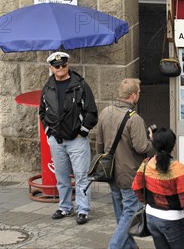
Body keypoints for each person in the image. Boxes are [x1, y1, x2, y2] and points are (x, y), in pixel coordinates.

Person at [39, 51, 98, 224]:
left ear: (68, 65)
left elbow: (91, 111)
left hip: (77, 140)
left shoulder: (80, 85)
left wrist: (83, 131)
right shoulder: (47, 87)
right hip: (56, 140)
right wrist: (49, 132)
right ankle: (65, 207)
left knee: (81, 176)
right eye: (56, 66)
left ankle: (83, 210)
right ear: (51, 68)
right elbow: (42, 112)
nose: (60, 68)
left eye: (63, 65)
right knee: (62, 177)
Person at [95, 78, 153, 249]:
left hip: (110, 171)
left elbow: (99, 143)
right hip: (129, 174)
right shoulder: (135, 119)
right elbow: (141, 146)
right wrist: (152, 139)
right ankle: (114, 246)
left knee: (121, 214)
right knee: (130, 213)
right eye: (139, 93)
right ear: (133, 95)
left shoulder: (105, 112)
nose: (139, 96)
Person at [132, 127, 184, 249]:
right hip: (172, 220)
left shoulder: (146, 163)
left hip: (151, 217)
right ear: (172, 146)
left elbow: (136, 187)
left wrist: (146, 201)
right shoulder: (177, 168)